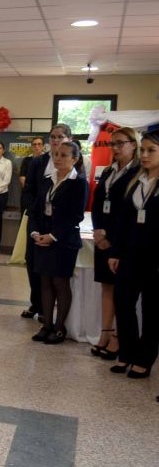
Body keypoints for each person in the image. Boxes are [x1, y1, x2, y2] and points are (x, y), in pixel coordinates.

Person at [108, 130, 158, 381]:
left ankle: (144, 359)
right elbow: (123, 222)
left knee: (152, 310)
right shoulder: (136, 181)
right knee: (123, 302)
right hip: (129, 255)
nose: (145, 155)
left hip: (155, 259)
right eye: (143, 150)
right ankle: (126, 352)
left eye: (151, 150)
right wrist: (115, 252)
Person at [29, 141, 88, 345]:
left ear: (75, 159)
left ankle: (59, 327)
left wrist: (53, 236)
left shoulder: (78, 183)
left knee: (60, 283)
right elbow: (35, 210)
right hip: (42, 238)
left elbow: (76, 216)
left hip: (64, 240)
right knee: (45, 282)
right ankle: (46, 325)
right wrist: (35, 232)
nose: (58, 158)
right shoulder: (47, 180)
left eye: (64, 155)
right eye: (56, 154)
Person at [90, 127, 139, 360]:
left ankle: (119, 337)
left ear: (133, 144)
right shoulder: (109, 170)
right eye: (113, 144)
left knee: (122, 291)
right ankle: (105, 333)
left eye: (120, 143)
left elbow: (128, 212)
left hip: (121, 241)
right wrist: (98, 231)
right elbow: (98, 203)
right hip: (102, 238)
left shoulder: (138, 173)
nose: (115, 148)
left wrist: (111, 238)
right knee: (106, 286)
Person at [21, 123, 74, 320]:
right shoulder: (38, 161)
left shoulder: (75, 162)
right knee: (32, 262)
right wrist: (33, 212)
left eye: (60, 137)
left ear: (69, 139)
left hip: (58, 225)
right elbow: (29, 190)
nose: (56, 140)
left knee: (52, 269)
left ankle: (49, 311)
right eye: (53, 137)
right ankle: (36, 304)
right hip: (36, 220)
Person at [19, 137, 45, 213]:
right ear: (31, 147)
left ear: (43, 146)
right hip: (28, 195)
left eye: (39, 144)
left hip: (42, 196)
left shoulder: (48, 160)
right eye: (34, 144)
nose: (37, 146)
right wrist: (30, 191)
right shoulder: (26, 160)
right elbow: (22, 177)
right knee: (25, 217)